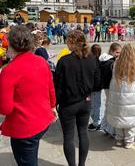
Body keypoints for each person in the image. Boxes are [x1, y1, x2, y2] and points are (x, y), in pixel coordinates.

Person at [0, 25, 56, 166]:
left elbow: (5, 109)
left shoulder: (9, 71)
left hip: (25, 126)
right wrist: (52, 107)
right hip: (43, 120)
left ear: (11, 45)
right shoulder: (41, 61)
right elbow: (51, 90)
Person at [54, 30, 101, 166]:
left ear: (72, 42)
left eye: (68, 41)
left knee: (69, 136)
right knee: (83, 132)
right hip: (85, 102)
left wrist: (56, 103)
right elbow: (97, 83)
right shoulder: (92, 58)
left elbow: (57, 85)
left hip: (68, 104)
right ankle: (81, 164)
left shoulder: (64, 61)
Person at [106, 44, 135, 149]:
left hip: (117, 94)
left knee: (119, 116)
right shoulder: (134, 64)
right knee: (131, 119)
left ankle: (119, 138)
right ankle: (129, 141)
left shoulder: (116, 63)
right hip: (130, 95)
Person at [99, 43, 122, 136]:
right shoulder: (111, 62)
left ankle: (106, 126)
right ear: (111, 51)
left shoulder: (104, 60)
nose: (119, 54)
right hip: (110, 87)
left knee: (108, 107)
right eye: (117, 52)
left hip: (106, 87)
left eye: (120, 53)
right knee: (112, 108)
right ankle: (110, 129)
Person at [88, 44, 102, 131]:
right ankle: (96, 122)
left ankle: (96, 123)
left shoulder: (92, 61)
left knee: (95, 106)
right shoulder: (97, 61)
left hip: (93, 87)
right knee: (96, 105)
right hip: (96, 87)